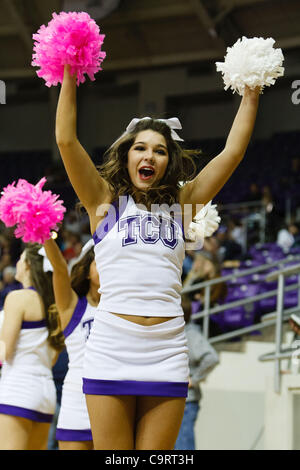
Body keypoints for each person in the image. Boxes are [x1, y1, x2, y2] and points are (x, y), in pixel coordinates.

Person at [55, 63, 260, 450]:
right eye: (141, 147)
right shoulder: (103, 203)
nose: (149, 156)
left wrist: (250, 92)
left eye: (160, 150)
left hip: (166, 348)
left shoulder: (184, 206)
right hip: (112, 345)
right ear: (127, 155)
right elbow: (66, 141)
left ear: (169, 162)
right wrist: (68, 68)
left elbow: (232, 153)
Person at [0, 244, 65, 450]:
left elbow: (5, 351)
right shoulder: (54, 303)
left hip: (18, 388)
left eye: (20, 258)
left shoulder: (17, 298)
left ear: (28, 266)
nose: (17, 263)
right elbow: (53, 357)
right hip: (45, 394)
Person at [43, 237, 100, 450]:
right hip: (78, 400)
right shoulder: (73, 307)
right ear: (86, 271)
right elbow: (59, 269)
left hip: (116, 397)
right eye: (99, 263)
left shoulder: (124, 310)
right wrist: (44, 234)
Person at [174, 295, 219, 450]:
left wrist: (194, 379)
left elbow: (211, 357)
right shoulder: (175, 333)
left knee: (183, 447)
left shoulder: (191, 334)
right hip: (174, 400)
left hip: (187, 402)